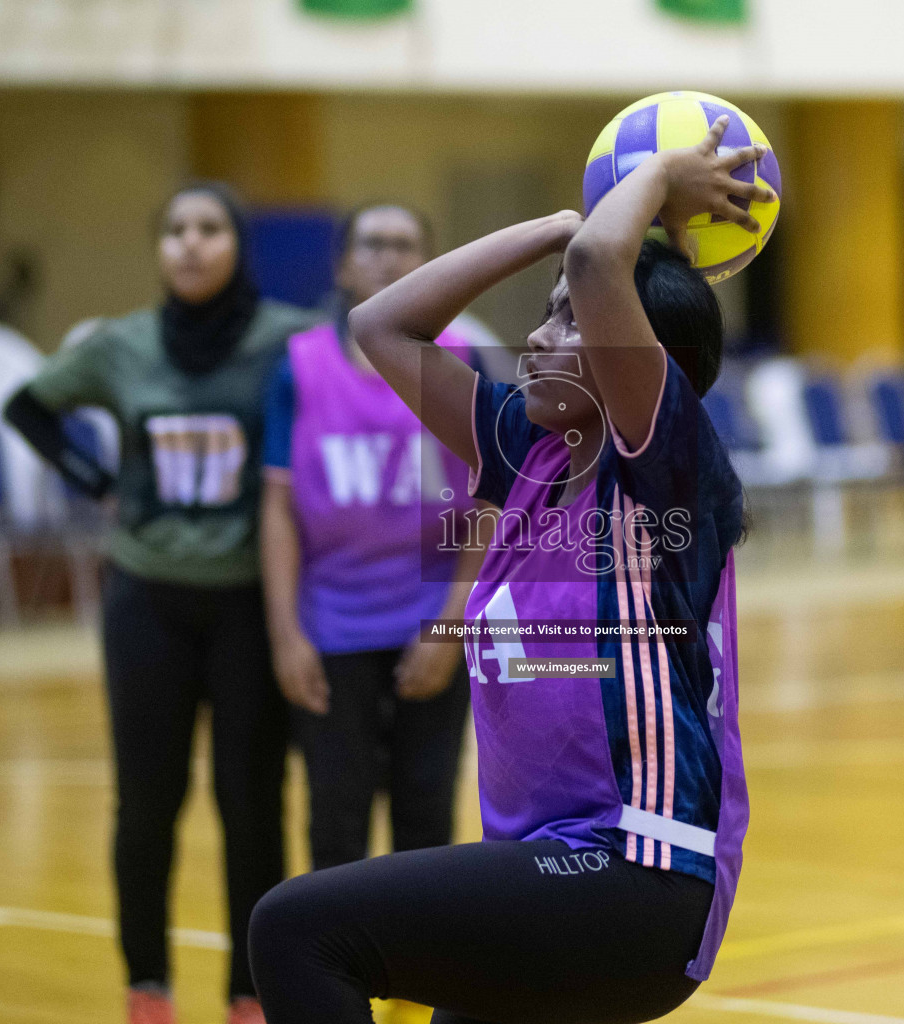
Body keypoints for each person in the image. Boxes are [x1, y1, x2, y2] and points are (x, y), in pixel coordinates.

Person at [248, 117, 765, 1024]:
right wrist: (557, 227)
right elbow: (383, 323)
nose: (535, 339)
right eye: (546, 314)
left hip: (634, 869)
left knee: (297, 930)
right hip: (550, 874)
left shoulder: (665, 459)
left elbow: (607, 268)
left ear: (645, 359)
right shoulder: (528, 453)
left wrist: (648, 187)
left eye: (567, 323)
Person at [4, 182, 313, 1024]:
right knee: (146, 802)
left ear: (237, 244)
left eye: (209, 228)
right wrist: (92, 481)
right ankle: (148, 989)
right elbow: (26, 407)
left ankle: (251, 995)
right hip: (146, 598)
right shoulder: (122, 345)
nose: (189, 244)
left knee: (251, 805)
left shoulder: (289, 339)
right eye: (174, 230)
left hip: (250, 601)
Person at [259, 204, 483, 875]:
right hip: (332, 628)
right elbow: (277, 508)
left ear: (429, 264)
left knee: (426, 818)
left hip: (430, 623)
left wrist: (449, 631)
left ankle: (420, 973)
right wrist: (285, 636)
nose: (387, 257)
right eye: (372, 244)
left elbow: (488, 507)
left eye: (404, 245)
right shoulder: (297, 367)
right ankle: (339, 973)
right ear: (344, 265)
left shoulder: (462, 362)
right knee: (336, 819)